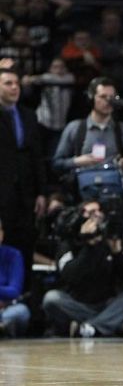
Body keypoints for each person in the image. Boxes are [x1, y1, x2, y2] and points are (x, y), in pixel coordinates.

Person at [42, 199, 123, 337]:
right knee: (51, 299)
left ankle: (90, 328)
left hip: (107, 304)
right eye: (91, 212)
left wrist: (117, 254)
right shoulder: (69, 244)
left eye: (99, 211)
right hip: (78, 304)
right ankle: (106, 325)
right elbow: (70, 276)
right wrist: (88, 245)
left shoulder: (108, 241)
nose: (97, 215)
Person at [52, 76, 123, 200]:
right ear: (91, 98)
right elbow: (57, 163)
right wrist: (77, 161)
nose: (108, 101)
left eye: (112, 98)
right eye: (103, 97)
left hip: (114, 195)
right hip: (82, 195)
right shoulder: (75, 128)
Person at [0, 66, 47, 291]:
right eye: (8, 83)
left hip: (26, 193)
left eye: (16, 83)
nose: (14, 87)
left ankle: (25, 294)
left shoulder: (28, 115)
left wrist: (42, 192)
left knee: (26, 242)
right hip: (2, 192)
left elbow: (37, 156)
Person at [0, 217, 31, 337]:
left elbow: (14, 291)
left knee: (21, 311)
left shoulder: (13, 255)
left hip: (6, 309)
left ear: (2, 235)